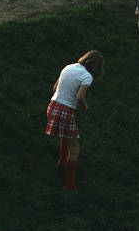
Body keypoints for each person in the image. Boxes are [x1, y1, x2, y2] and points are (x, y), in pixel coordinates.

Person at [45, 50, 104, 191]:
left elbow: (55, 88)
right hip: (65, 111)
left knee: (65, 134)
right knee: (75, 149)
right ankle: (70, 185)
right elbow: (80, 97)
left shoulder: (69, 67)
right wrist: (84, 106)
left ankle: (61, 162)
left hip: (53, 105)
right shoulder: (87, 77)